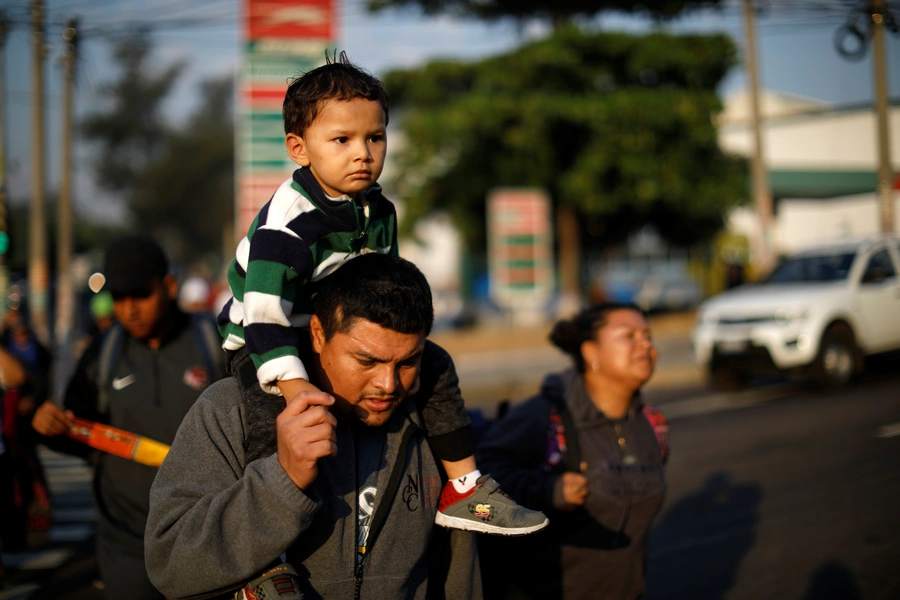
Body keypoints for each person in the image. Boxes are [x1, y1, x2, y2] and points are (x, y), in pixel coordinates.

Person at [216, 51, 543, 544]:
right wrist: (294, 388)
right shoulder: (285, 227)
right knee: (278, 427)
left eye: (375, 137)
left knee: (434, 366)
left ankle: (463, 488)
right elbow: (263, 317)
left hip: (339, 331)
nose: (362, 153)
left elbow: (381, 287)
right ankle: (264, 552)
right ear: (298, 148)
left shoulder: (378, 210)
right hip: (267, 340)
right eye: (341, 140)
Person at [146, 253, 484, 599]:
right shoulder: (232, 410)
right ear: (318, 334)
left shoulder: (435, 426)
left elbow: (459, 575)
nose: (388, 384)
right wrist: (282, 484)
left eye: (408, 362)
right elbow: (169, 564)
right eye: (367, 360)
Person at [31, 235, 226, 600]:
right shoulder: (103, 353)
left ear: (168, 286)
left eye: (140, 294)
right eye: (119, 298)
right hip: (125, 541)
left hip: (203, 532)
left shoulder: (212, 341)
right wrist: (49, 425)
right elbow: (76, 429)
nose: (129, 310)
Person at [475, 302, 669, 600]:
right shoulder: (543, 417)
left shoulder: (651, 425)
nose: (645, 344)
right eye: (629, 336)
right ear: (591, 352)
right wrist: (547, 490)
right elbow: (476, 481)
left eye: (648, 335)